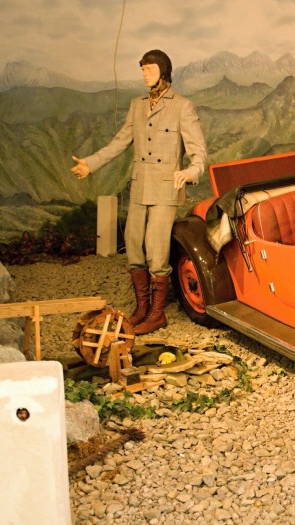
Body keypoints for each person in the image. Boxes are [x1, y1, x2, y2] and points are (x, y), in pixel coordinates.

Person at [71, 49, 207, 335]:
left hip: (166, 189)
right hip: (140, 187)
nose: (144, 74)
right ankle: (142, 309)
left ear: (163, 71)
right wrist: (91, 164)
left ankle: (157, 314)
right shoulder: (137, 105)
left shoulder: (182, 107)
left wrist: (190, 173)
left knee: (157, 252)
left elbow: (199, 153)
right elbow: (120, 141)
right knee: (134, 248)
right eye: (142, 69)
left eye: (149, 69)